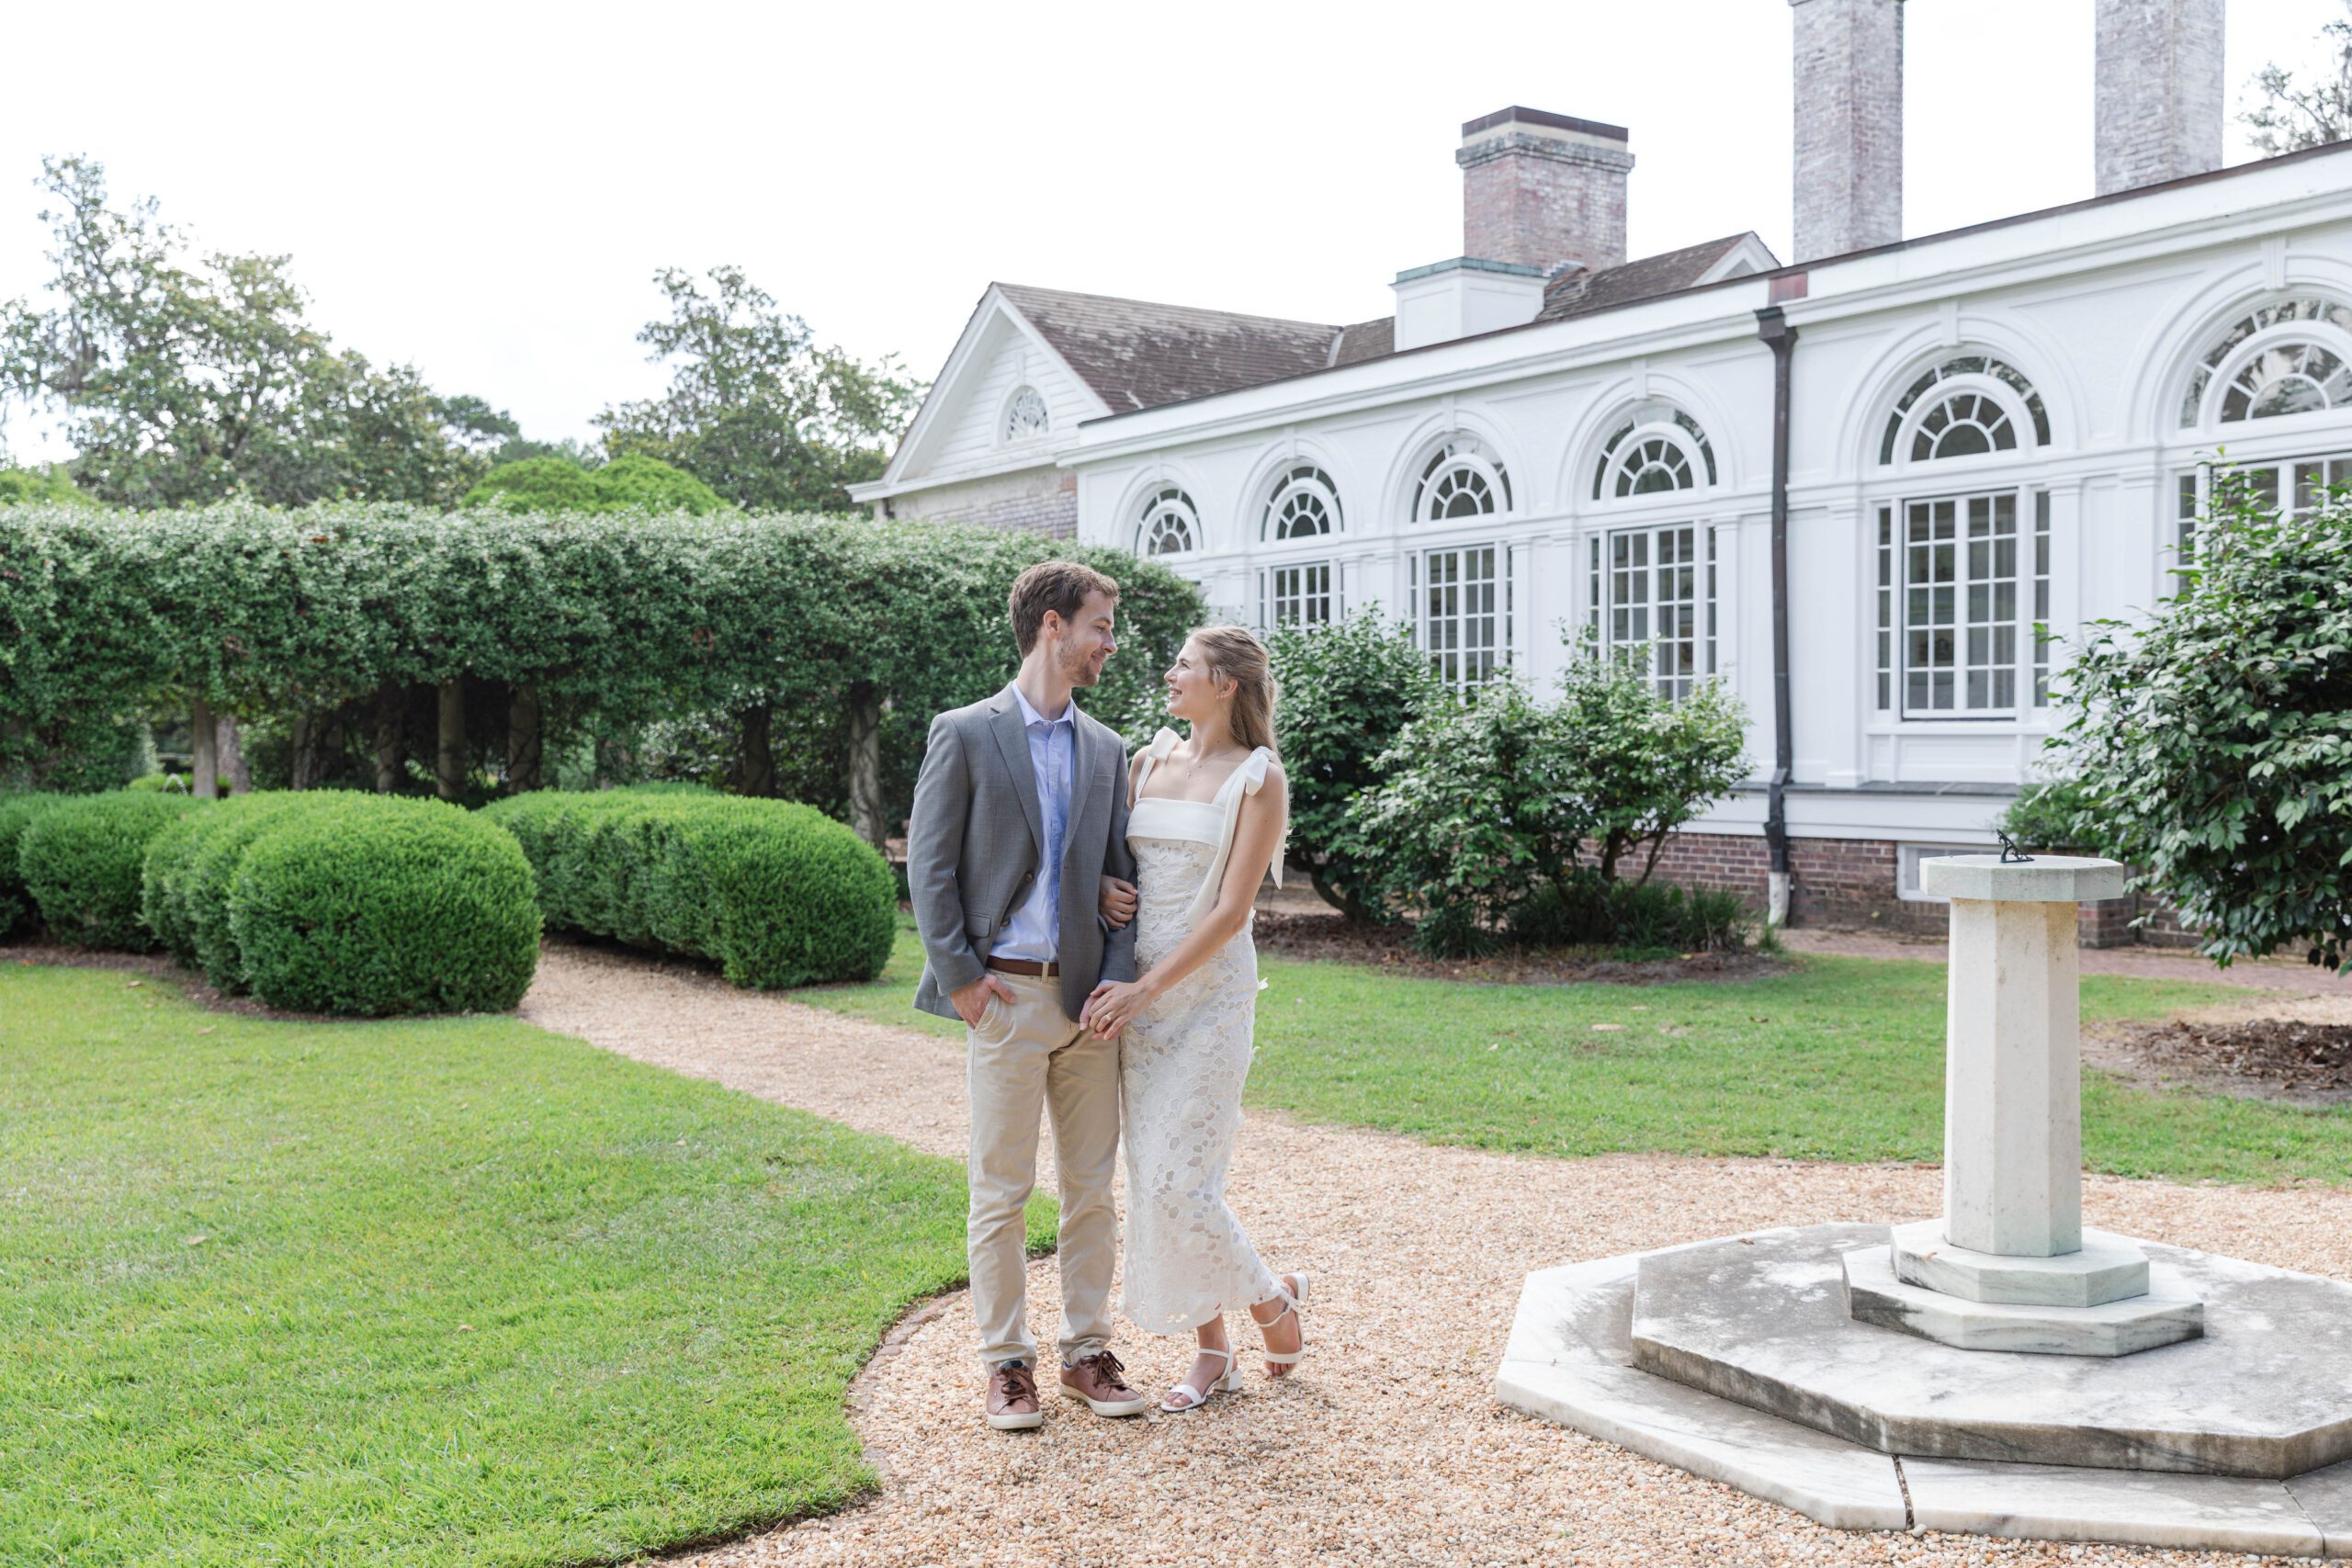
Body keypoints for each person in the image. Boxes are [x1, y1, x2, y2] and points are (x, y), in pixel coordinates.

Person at [905, 560, 1150, 1432]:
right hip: (1001, 997)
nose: (1109, 644)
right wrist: (967, 982)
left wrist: (1116, 976)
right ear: (1053, 626)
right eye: (1099, 627)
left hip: (1088, 1008)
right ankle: (1007, 1366)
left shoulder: (1109, 748)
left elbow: (1124, 882)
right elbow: (930, 870)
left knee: (1091, 1190)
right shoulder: (965, 733)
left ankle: (1087, 1354)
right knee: (1001, 1191)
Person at [1085, 626, 1309, 1414]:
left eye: (1184, 663)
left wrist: (1146, 990)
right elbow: (1121, 869)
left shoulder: (1258, 778)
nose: (1169, 673)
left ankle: (1274, 1308)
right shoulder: (1147, 760)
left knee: (1186, 1179)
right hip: (1137, 999)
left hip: (1208, 999)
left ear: (1226, 684)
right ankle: (1218, 1346)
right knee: (1155, 1179)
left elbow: (1232, 909)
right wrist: (1111, 897)